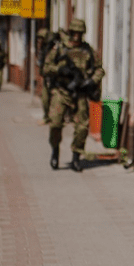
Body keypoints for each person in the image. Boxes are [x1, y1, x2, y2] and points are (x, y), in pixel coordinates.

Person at [42, 19, 104, 172]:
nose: (77, 36)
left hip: (80, 92)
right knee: (55, 123)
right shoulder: (59, 49)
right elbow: (46, 68)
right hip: (61, 91)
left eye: (79, 33)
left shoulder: (88, 50)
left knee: (82, 127)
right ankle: (55, 150)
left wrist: (91, 81)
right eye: (74, 32)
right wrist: (59, 70)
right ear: (70, 32)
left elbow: (99, 69)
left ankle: (76, 156)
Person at [36, 28, 60, 124]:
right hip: (47, 77)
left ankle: (55, 119)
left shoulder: (54, 48)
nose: (39, 41)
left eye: (41, 38)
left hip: (56, 78)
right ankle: (47, 117)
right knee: (45, 99)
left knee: (55, 100)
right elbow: (41, 62)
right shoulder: (43, 48)